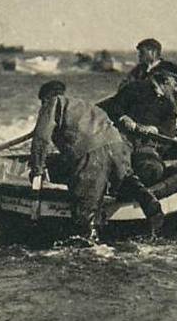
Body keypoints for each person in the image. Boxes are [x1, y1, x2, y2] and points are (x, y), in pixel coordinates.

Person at [29, 80, 164, 240]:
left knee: (85, 216)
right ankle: (148, 200)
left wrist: (37, 169)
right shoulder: (85, 105)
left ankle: (90, 243)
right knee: (125, 179)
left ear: (45, 98)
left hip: (91, 154)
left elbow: (41, 138)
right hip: (117, 145)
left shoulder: (52, 103)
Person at [101, 61, 177, 185]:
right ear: (167, 81)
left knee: (152, 170)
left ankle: (136, 186)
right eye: (175, 84)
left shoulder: (168, 103)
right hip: (123, 139)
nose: (176, 89)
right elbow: (113, 106)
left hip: (146, 144)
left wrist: (154, 129)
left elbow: (169, 130)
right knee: (116, 163)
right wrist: (124, 118)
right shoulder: (134, 88)